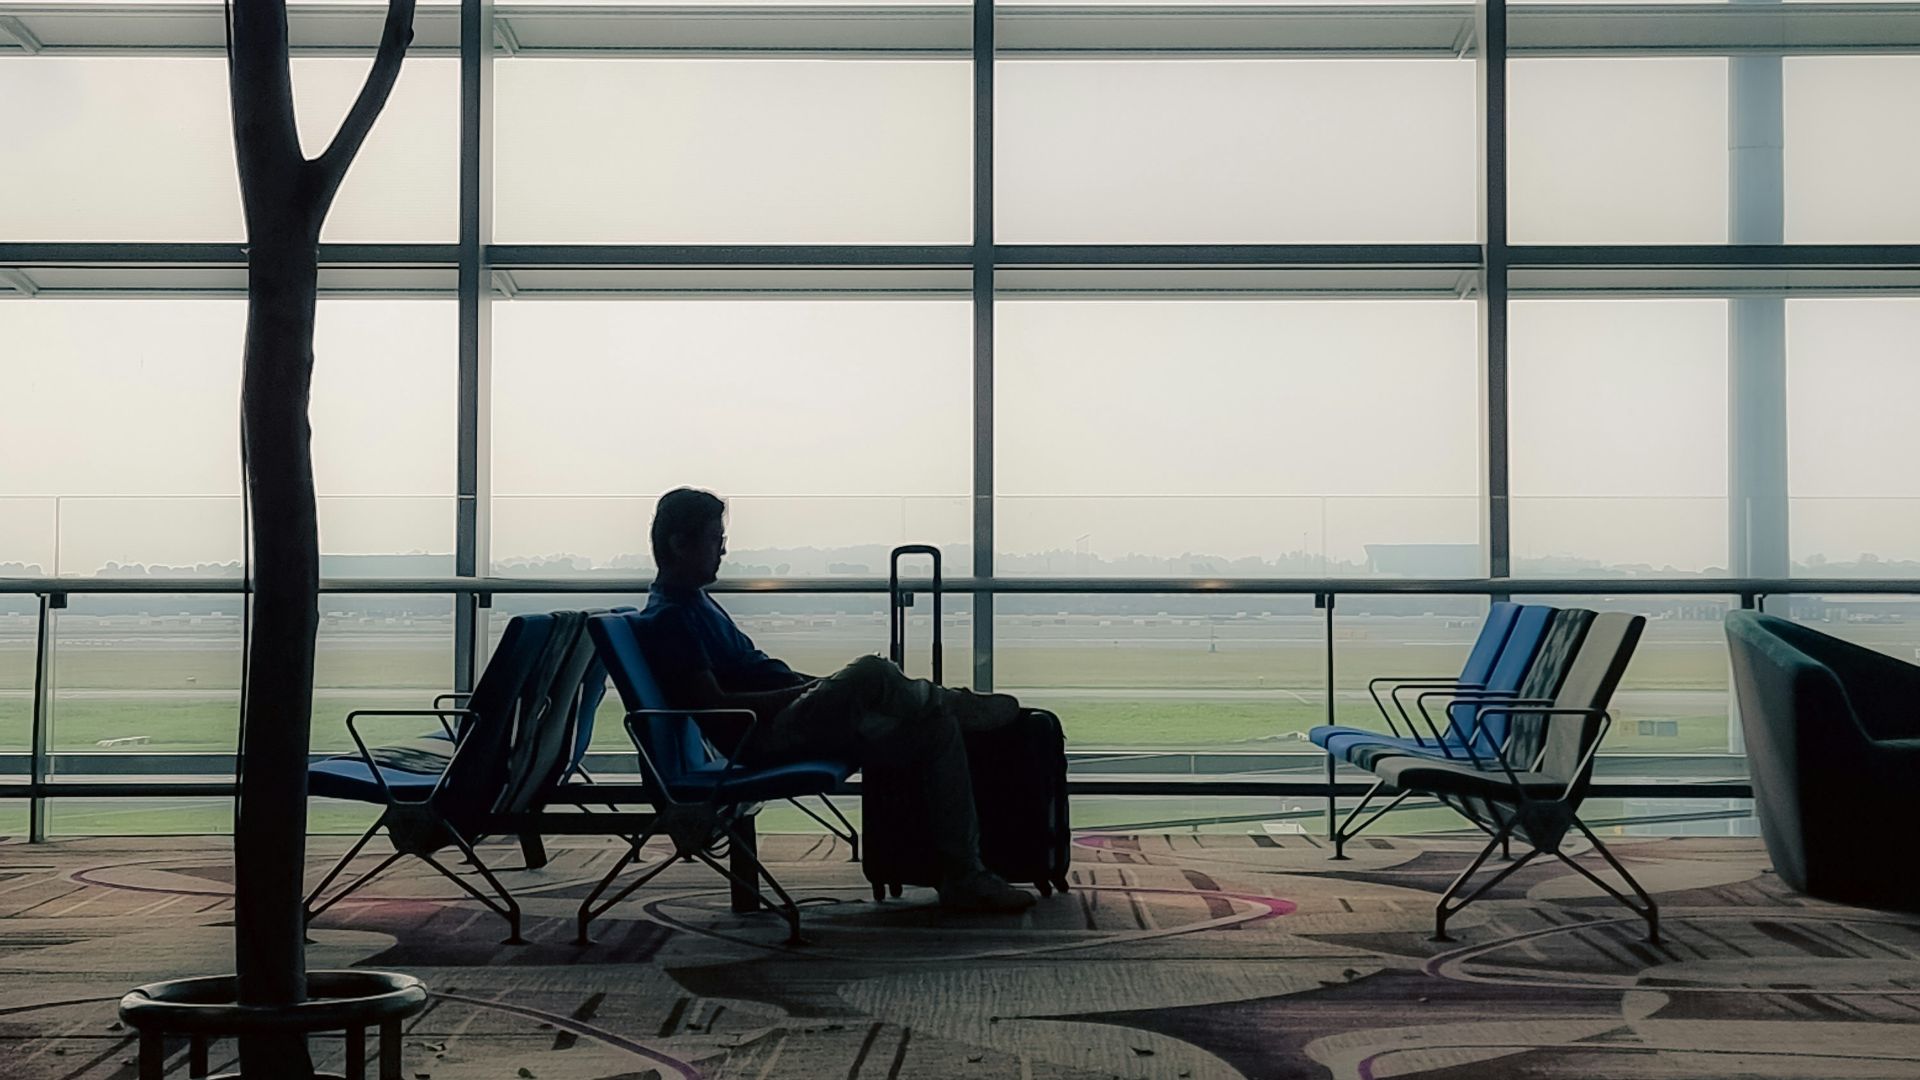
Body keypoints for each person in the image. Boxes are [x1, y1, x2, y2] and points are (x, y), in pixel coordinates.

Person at [638, 487, 1037, 913]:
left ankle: (963, 875)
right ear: (680, 544)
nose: (723, 551)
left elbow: (751, 679)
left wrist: (823, 687)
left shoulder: (695, 603)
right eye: (715, 539)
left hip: (783, 720)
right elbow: (717, 707)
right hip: (761, 737)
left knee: (936, 731)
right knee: (873, 670)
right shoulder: (671, 619)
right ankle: (953, 702)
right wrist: (811, 692)